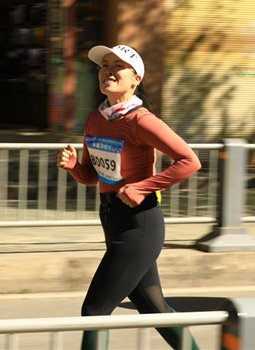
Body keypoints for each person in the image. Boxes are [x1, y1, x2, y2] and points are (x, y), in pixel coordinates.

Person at [56, 44, 202, 350]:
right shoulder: (95, 119)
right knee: (154, 308)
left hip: (140, 224)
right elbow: (91, 176)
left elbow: (190, 161)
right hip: (112, 219)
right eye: (104, 65)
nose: (107, 71)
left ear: (136, 79)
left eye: (117, 66)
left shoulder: (141, 120)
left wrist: (143, 187)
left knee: (94, 311)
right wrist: (73, 167)